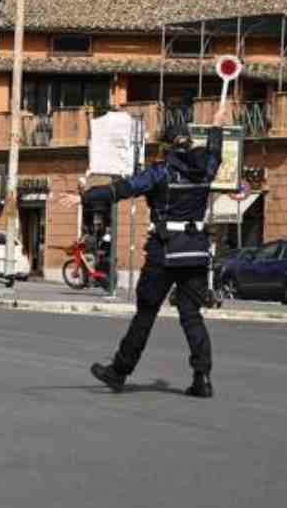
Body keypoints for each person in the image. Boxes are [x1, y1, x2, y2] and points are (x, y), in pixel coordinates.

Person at [82, 108, 228, 398]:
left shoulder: (160, 172)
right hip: (196, 252)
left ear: (166, 146)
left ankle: (119, 371)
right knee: (192, 315)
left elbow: (123, 189)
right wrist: (216, 129)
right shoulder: (205, 170)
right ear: (189, 142)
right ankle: (203, 378)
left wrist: (86, 195)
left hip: (165, 252)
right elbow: (215, 153)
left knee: (146, 314)